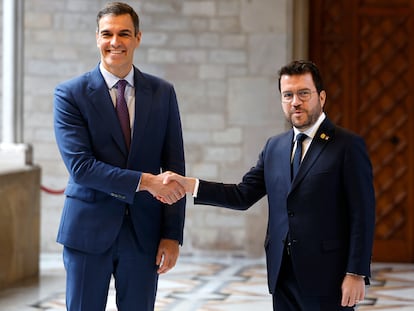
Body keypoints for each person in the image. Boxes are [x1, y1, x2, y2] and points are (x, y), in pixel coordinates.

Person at [163, 60, 376, 310]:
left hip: (329, 276)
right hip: (282, 275)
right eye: (288, 95)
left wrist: (356, 273)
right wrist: (191, 185)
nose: (295, 101)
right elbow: (242, 195)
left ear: (322, 97)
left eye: (303, 93)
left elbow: (362, 214)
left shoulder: (347, 146)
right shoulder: (275, 147)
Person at [53, 2, 186, 310]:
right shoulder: (69, 94)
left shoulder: (162, 92)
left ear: (138, 38)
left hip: (144, 234)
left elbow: (175, 167)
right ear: (97, 38)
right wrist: (146, 181)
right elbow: (81, 168)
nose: (115, 42)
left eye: (124, 33)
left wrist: (172, 234)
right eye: (107, 34)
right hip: (87, 231)